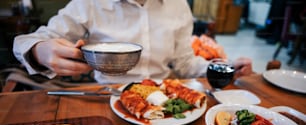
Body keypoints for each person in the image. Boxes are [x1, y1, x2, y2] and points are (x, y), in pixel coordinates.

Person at [13, 0, 253, 85]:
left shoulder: (178, 5)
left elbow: (185, 62)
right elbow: (27, 40)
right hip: (109, 96)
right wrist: (40, 51)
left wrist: (225, 68)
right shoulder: (89, 3)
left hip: (166, 96)